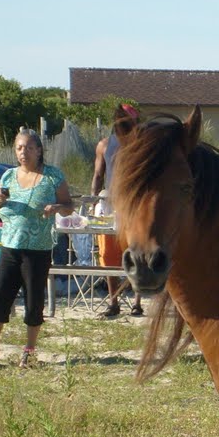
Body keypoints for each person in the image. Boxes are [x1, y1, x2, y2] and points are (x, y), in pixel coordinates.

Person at [0, 127, 74, 368]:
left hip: (38, 249)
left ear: (39, 150)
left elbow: (69, 206)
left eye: (28, 147)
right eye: (19, 148)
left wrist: (56, 208)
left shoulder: (52, 176)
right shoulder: (8, 177)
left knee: (33, 301)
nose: (23, 152)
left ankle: (29, 352)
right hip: (10, 245)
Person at [92, 104, 143, 317]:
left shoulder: (140, 144)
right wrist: (92, 201)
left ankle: (137, 302)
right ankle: (113, 302)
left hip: (134, 206)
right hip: (111, 206)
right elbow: (97, 176)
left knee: (137, 253)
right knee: (108, 254)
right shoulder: (104, 146)